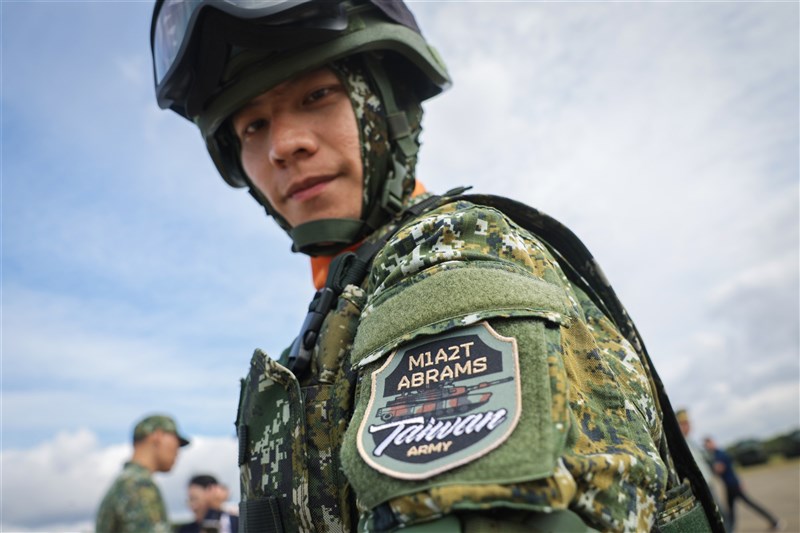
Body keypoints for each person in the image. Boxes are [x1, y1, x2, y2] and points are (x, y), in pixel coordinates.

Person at [149, 1, 723, 531]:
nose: (284, 145)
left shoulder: (442, 259)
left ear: (388, 105)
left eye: (317, 95)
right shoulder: (342, 305)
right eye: (253, 126)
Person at [96, 414, 190, 533]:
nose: (178, 451)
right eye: (176, 442)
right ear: (158, 435)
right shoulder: (139, 485)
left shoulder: (125, 482)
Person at [704, 436, 782, 532]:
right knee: (731, 511)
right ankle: (730, 530)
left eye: (708, 444)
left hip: (733, 485)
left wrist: (708, 468)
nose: (707, 447)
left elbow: (719, 469)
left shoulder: (719, 454)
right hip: (730, 486)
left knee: (745, 506)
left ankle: (774, 521)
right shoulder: (716, 454)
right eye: (706, 445)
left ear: (712, 443)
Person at [676, 409, 727, 530]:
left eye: (688, 423)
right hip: (700, 488)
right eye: (683, 424)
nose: (687, 426)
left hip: (708, 483)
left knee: (721, 515)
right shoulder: (679, 444)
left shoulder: (691, 442)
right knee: (715, 517)